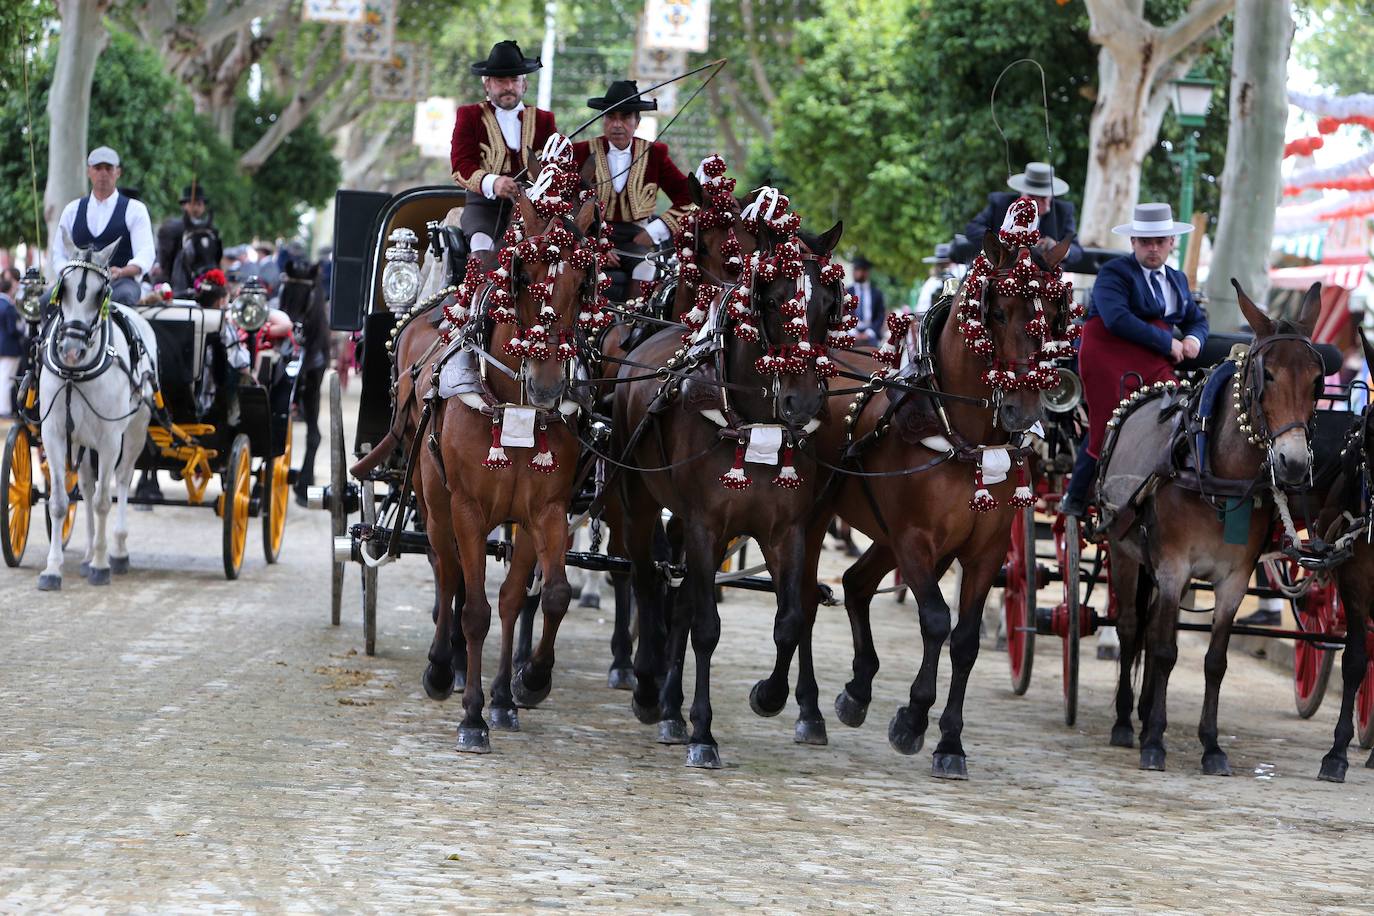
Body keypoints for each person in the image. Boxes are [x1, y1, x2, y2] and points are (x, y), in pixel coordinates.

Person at [1059, 202, 1208, 517]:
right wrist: (1167, 341)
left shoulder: (1178, 280)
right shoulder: (1114, 272)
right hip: (1107, 354)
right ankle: (1077, 495)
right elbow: (1116, 319)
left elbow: (1197, 319)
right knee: (1110, 422)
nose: (1153, 248)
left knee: (1176, 411)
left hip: (1154, 358)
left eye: (1160, 241)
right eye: (1145, 242)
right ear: (1133, 244)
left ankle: (1165, 484)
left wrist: (1194, 339)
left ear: (1171, 243)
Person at [571, 80, 694, 302]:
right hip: (589, 236)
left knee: (647, 266)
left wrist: (655, 231)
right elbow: (563, 202)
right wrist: (591, 242)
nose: (617, 125)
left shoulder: (655, 154)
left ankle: (633, 326)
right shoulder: (580, 152)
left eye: (625, 117)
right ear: (603, 119)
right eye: (611, 117)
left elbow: (688, 198)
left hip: (637, 238)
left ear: (637, 122)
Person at [449, 40, 558, 257]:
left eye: (514, 80)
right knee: (481, 249)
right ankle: (474, 290)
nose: (508, 86)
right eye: (501, 81)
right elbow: (461, 166)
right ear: (487, 84)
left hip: (534, 211)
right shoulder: (470, 115)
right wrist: (493, 181)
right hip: (483, 207)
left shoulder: (544, 119)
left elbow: (554, 165)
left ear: (524, 85)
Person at [50, 146, 156, 305]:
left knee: (124, 297)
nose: (103, 173)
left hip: (119, 283)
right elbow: (58, 253)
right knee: (46, 302)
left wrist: (122, 272)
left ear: (118, 172)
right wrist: (68, 273)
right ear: (89, 172)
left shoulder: (135, 210)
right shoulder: (72, 210)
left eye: (108, 168)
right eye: (98, 168)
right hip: (77, 282)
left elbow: (146, 253)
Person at [952, 162, 1083, 269]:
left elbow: (1077, 251)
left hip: (1043, 276)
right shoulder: (1001, 204)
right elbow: (972, 228)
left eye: (1045, 197)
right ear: (1023, 194)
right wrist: (1004, 242)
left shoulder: (1063, 211)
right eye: (1032, 196)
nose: (1041, 202)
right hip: (1001, 270)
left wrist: (1056, 247)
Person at [913, 242, 958, 317]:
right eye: (942, 265)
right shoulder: (931, 283)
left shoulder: (958, 280)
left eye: (947, 264)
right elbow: (922, 309)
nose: (945, 268)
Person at [848, 256, 885, 347]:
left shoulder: (876, 293)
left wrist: (869, 332)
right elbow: (843, 313)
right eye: (856, 269)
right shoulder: (847, 292)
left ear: (867, 272)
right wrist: (852, 332)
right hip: (850, 333)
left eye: (862, 270)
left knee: (875, 358)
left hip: (870, 335)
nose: (858, 273)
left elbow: (880, 315)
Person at [0, 269, 22, 418]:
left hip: (2, 346)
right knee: (7, 381)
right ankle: (5, 409)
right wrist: (23, 333)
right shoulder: (8, 307)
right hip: (10, 347)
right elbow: (12, 330)